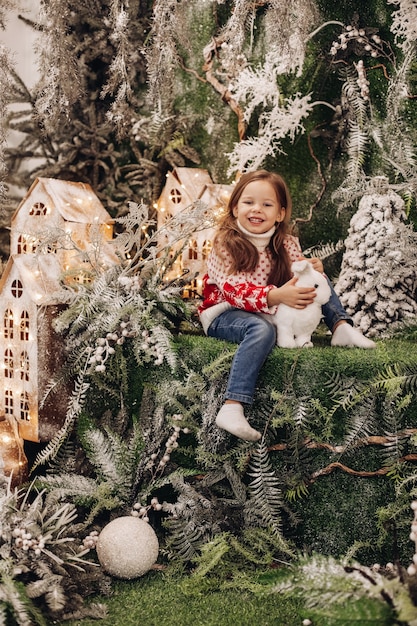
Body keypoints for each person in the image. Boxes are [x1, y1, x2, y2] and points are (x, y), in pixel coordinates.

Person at [198, 169, 376, 442]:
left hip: (270, 306)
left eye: (267, 204)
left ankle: (340, 325)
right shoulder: (226, 243)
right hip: (225, 312)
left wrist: (311, 271)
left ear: (280, 213)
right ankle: (232, 406)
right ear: (235, 207)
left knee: (315, 281)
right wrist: (276, 297)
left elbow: (299, 282)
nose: (256, 209)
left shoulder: (286, 242)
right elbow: (233, 291)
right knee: (261, 331)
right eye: (248, 202)